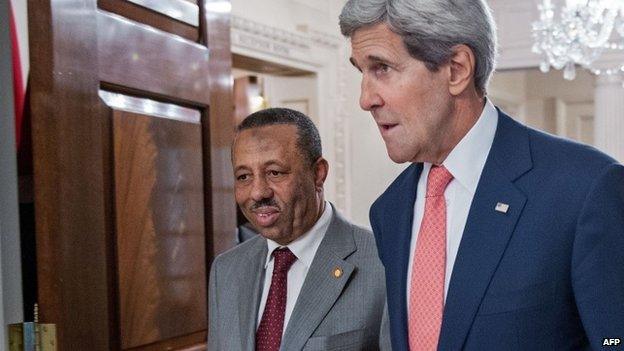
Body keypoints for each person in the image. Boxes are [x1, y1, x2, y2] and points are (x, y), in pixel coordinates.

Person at [339, 0, 624, 350]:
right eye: (361, 72)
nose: (365, 99)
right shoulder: (390, 209)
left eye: (381, 68)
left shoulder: (585, 189)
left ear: (457, 70)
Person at [208, 108, 389, 350]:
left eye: (275, 172)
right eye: (243, 176)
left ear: (318, 174)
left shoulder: (384, 262)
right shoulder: (226, 270)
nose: (258, 192)